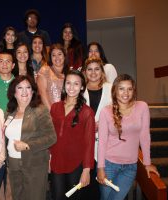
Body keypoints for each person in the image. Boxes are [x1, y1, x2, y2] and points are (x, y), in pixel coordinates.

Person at [97, 74, 160, 200]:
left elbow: (145, 136)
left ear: (134, 91)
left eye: (129, 89)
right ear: (115, 90)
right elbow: (102, 142)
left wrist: (147, 163)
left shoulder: (142, 107)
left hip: (130, 167)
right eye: (121, 88)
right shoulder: (106, 111)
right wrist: (100, 168)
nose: (125, 93)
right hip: (109, 165)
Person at [5, 75, 57, 200]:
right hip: (13, 164)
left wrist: (28, 145)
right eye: (20, 88)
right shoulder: (9, 112)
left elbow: (51, 137)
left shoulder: (40, 110)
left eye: (28, 88)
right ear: (14, 92)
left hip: (34, 164)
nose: (24, 91)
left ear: (32, 91)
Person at [50, 70, 95, 199]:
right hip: (56, 161)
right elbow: (51, 135)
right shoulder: (55, 107)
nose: (71, 87)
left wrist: (86, 170)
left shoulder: (87, 112)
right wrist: (49, 157)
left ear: (81, 87)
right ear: (64, 85)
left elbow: (89, 143)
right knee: (57, 197)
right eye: (68, 83)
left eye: (76, 84)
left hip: (76, 164)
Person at [83, 57, 113, 199]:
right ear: (85, 72)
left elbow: (120, 112)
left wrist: (104, 123)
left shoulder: (111, 87)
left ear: (102, 71)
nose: (93, 72)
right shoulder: (80, 89)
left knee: (107, 186)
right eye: (89, 69)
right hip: (85, 146)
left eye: (97, 69)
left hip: (108, 146)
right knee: (90, 189)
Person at [37, 43, 68, 110]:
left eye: (59, 54)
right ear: (50, 58)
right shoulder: (45, 70)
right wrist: (52, 113)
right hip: (49, 113)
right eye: (53, 55)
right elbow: (43, 94)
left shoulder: (69, 74)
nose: (57, 57)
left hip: (66, 113)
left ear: (64, 56)